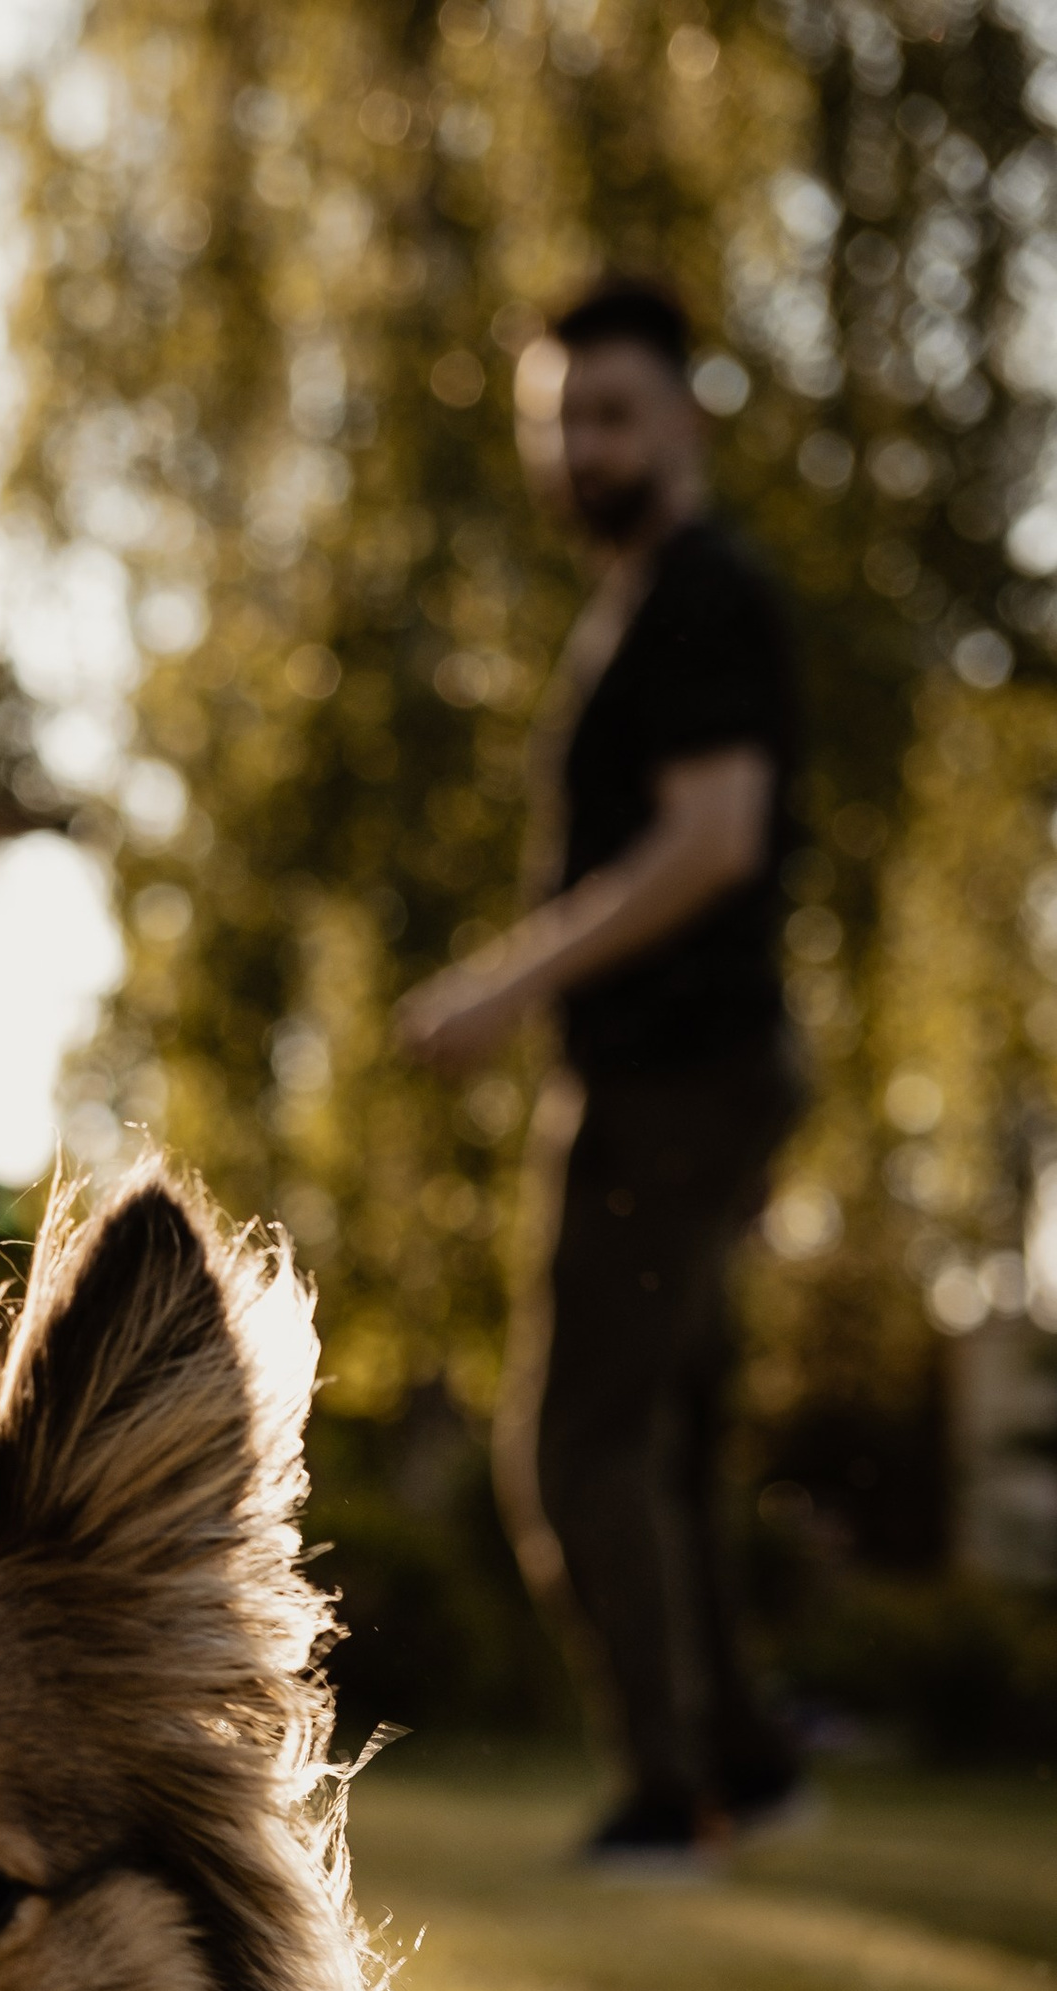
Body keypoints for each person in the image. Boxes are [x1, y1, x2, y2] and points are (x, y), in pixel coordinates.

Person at [397, 273, 806, 1873]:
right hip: (700, 1072)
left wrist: (511, 982)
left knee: (573, 1445)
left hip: (674, 1078)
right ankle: (750, 1769)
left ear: (688, 417)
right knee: (671, 1445)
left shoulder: (702, 596)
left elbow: (714, 843)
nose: (582, 448)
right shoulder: (648, 598)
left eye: (613, 414)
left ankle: (667, 1792)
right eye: (558, 422)